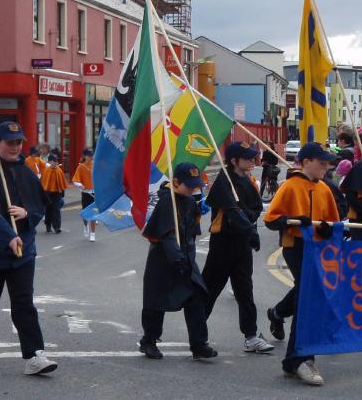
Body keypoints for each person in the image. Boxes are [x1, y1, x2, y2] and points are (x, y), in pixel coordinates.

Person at [0, 121, 57, 374]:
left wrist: (26, 213)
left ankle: (34, 356)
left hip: (23, 251)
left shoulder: (26, 170)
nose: (15, 147)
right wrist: (8, 236)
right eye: (9, 142)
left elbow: (39, 207)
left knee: (24, 302)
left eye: (19, 142)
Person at [264, 142, 340, 386]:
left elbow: (332, 221)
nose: (326, 167)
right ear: (306, 162)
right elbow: (271, 219)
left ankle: (282, 326)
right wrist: (292, 220)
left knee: (306, 294)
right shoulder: (290, 186)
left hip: (317, 248)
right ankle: (300, 358)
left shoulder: (325, 189)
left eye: (328, 163)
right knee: (307, 295)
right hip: (295, 246)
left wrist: (328, 229)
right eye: (322, 163)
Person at [139, 163, 217, 360]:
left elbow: (190, 233)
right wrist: (177, 259)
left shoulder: (189, 201)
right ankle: (149, 340)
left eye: (195, 185)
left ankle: (199, 344)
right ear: (176, 182)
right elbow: (167, 236)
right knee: (155, 302)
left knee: (197, 297)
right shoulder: (167, 202)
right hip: (164, 261)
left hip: (186, 259)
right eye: (188, 185)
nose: (192, 189)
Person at [202, 142, 274, 354]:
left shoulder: (248, 180)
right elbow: (232, 212)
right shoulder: (223, 181)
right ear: (234, 160)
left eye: (252, 157)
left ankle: (251, 336)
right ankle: (197, 334)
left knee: (245, 291)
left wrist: (251, 228)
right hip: (223, 243)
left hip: (242, 244)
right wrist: (250, 229)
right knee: (210, 290)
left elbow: (256, 207)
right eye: (247, 157)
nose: (252, 160)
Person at [72, 148, 96, 241]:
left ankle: (93, 233)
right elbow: (75, 180)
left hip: (94, 193)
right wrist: (79, 184)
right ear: (85, 156)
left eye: (92, 155)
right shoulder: (81, 167)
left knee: (94, 213)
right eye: (89, 155)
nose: (91, 157)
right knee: (85, 213)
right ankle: (85, 226)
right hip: (85, 193)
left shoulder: (95, 165)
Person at [40, 154, 68, 234]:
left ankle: (57, 227)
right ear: (50, 161)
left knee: (56, 209)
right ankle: (48, 225)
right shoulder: (46, 171)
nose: (55, 163)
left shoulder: (59, 171)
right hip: (48, 193)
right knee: (48, 209)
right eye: (54, 161)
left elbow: (62, 183)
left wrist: (62, 194)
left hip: (56, 193)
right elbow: (43, 182)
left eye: (56, 161)